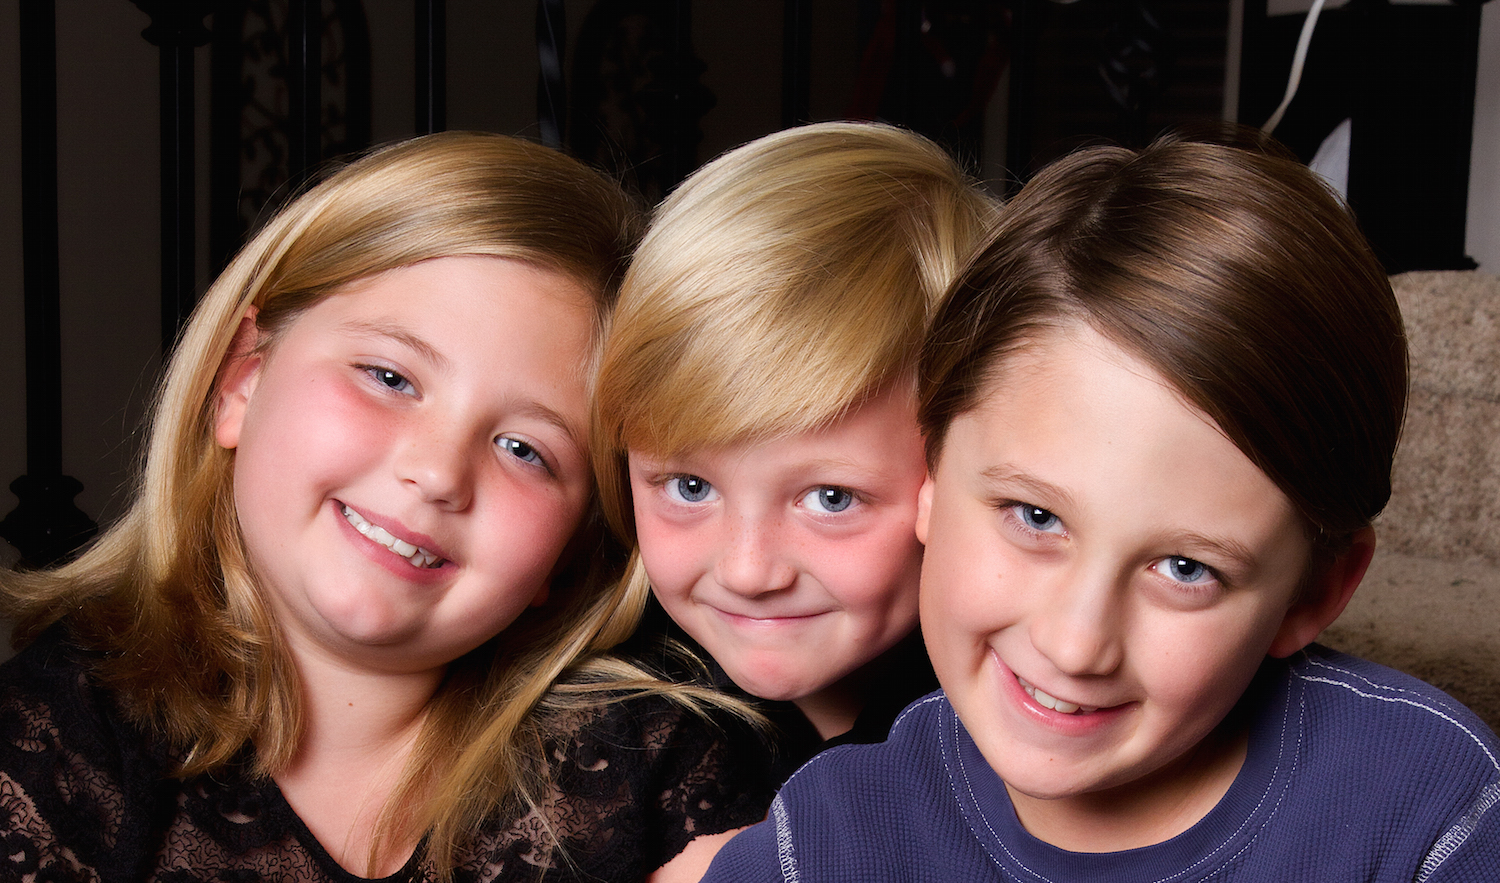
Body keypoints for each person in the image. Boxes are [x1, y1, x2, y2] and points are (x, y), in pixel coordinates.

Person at [701, 130, 1500, 881]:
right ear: (931, 485)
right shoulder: (827, 838)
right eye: (1035, 517)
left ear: (1315, 593)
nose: (1076, 643)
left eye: (1185, 567)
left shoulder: (1432, 814)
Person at [0, 132, 772, 883]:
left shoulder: (650, 763)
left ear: (569, 552)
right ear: (242, 379)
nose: (437, 473)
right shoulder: (54, 745)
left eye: (524, 449)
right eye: (389, 377)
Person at [594, 121, 999, 786]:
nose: (748, 571)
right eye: (690, 486)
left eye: (831, 499)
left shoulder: (1010, 735)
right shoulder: (607, 731)